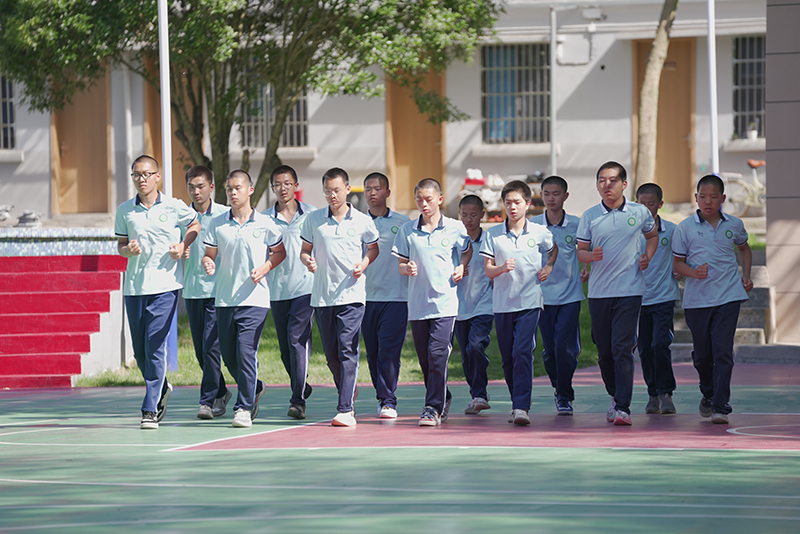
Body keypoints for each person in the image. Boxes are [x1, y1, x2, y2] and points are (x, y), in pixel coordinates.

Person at [115, 155, 200, 430]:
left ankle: (150, 408)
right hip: (135, 288)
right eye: (136, 175)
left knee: (154, 346)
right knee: (140, 352)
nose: (141, 179)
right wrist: (128, 250)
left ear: (157, 177)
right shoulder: (125, 210)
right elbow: (121, 245)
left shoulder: (174, 206)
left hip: (165, 286)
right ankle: (162, 387)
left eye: (146, 174)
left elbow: (195, 223)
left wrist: (183, 245)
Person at [202, 170, 286, 429]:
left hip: (255, 299)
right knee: (229, 357)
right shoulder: (217, 224)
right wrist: (208, 262)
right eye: (229, 189)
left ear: (250, 190)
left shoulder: (266, 223)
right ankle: (255, 387)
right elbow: (209, 254)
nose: (233, 193)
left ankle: (243, 408)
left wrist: (265, 268)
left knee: (245, 352)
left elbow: (280, 252)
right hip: (225, 299)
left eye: (237, 188)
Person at [576, 161, 658, 426]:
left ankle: (623, 407)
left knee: (622, 347)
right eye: (601, 180)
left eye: (612, 180)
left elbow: (652, 236)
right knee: (604, 351)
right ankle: (614, 394)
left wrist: (647, 257)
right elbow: (580, 251)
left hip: (629, 290)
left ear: (624, 184)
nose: (606, 185)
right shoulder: (590, 216)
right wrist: (591, 256)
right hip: (600, 292)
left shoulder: (639, 212)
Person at [300, 168, 379, 427]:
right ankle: (348, 388)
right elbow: (304, 250)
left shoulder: (362, 221)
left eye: (336, 190)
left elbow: (373, 248)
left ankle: (345, 409)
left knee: (347, 348)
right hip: (323, 297)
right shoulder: (313, 220)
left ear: (347, 189)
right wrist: (308, 260)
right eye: (327, 191)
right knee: (332, 356)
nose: (332, 195)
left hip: (352, 295)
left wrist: (363, 264)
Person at [672, 174, 753, 424]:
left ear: (723, 198)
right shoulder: (685, 227)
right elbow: (677, 264)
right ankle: (708, 393)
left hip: (728, 296)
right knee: (703, 356)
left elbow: (744, 248)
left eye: (713, 197)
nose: (708, 201)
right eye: (703, 197)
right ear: (696, 198)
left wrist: (746, 275)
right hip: (697, 301)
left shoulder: (734, 224)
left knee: (723, 352)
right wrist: (694, 272)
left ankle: (720, 406)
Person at [393, 178, 472, 427]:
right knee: (425, 360)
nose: (423, 204)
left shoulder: (455, 228)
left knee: (438, 354)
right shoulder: (407, 230)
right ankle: (443, 395)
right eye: (419, 199)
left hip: (445, 304)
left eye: (428, 199)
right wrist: (407, 268)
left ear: (440, 199)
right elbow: (400, 264)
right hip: (418, 305)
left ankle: (432, 407)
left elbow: (467, 250)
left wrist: (462, 265)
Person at [481, 180, 557, 426]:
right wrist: (502, 268)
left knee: (522, 352)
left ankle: (521, 407)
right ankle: (517, 401)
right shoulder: (492, 234)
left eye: (517, 202)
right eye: (508, 202)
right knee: (507, 358)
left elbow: (553, 249)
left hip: (530, 301)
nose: (512, 207)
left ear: (528, 204)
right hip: (503, 304)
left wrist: (548, 267)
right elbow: (488, 271)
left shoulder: (539, 232)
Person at [530, 176, 588, 416]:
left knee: (566, 348)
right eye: (546, 194)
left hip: (570, 295)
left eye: (556, 194)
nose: (551, 198)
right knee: (551, 351)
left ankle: (565, 396)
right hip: (542, 297)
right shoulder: (533, 225)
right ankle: (559, 386)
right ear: (541, 196)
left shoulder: (576, 224)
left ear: (565, 196)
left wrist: (585, 268)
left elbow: (584, 250)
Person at [263, 165, 316, 420]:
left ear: (296, 185)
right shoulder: (263, 219)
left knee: (297, 341)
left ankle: (297, 401)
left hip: (306, 288)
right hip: (277, 290)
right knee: (285, 349)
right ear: (272, 188)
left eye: (287, 184)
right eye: (277, 184)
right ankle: (302, 384)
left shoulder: (313, 215)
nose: (282, 189)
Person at [183, 165, 232, 420]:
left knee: (212, 347)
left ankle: (208, 400)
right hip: (192, 291)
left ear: (211, 187)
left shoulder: (225, 215)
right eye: (191, 187)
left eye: (200, 186)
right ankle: (224, 391)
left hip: (219, 291)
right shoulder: (182, 216)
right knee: (201, 353)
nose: (196, 191)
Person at [361, 172, 411, 419]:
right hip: (364, 298)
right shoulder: (357, 222)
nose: (372, 193)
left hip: (396, 297)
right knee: (373, 353)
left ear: (388, 192)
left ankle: (388, 400)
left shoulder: (404, 223)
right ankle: (382, 394)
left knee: (388, 352)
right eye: (368, 189)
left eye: (378, 188)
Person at [635, 183, 681, 415]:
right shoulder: (630, 232)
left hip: (663, 297)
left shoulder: (672, 231)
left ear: (660, 204)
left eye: (650, 204)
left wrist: (681, 269)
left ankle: (666, 393)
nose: (646, 208)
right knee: (644, 348)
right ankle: (652, 393)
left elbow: (683, 256)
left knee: (660, 344)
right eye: (641, 204)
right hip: (637, 299)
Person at [455, 194, 494, 415]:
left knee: (476, 345)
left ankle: (480, 393)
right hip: (458, 306)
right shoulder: (454, 239)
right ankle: (476, 394)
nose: (468, 220)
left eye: (473, 215)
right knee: (466, 355)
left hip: (484, 304)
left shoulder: (490, 240)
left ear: (482, 215)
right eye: (464, 215)